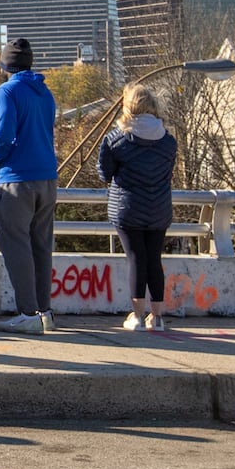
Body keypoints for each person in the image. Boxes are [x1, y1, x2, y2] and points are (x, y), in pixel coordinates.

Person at [0, 37, 60, 334]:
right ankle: (45, 312)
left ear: (6, 65)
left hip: (17, 179)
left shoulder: (7, 91)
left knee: (16, 245)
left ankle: (27, 313)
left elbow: (3, 135)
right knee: (41, 246)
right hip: (47, 178)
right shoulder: (44, 92)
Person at [98, 84, 178, 331]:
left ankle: (137, 316)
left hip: (128, 208)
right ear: (153, 107)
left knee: (136, 259)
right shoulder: (168, 141)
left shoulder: (115, 139)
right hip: (159, 208)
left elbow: (104, 173)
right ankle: (158, 317)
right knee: (154, 259)